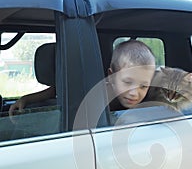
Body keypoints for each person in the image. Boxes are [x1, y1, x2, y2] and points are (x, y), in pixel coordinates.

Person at [9, 40, 156, 114]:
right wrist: (25, 99)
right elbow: (56, 90)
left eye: (143, 86)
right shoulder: (96, 92)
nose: (134, 93)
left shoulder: (150, 101)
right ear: (111, 76)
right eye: (127, 82)